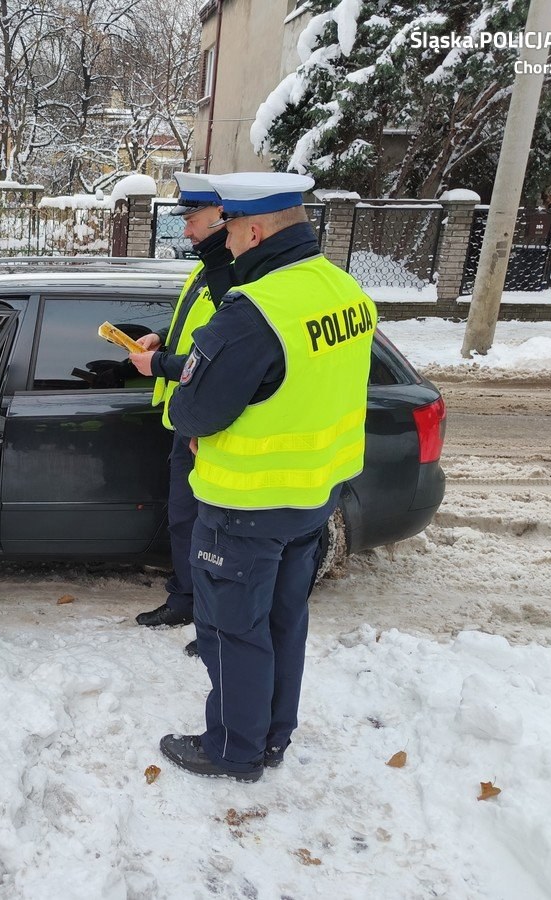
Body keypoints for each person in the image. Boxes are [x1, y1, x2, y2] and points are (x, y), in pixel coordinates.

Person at [157, 172, 377, 783]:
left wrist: (186, 403)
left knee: (231, 629)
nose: (223, 243)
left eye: (227, 228)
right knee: (284, 621)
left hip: (245, 502)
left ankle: (233, 749)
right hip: (312, 496)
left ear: (254, 230)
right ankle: (273, 736)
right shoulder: (343, 290)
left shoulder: (254, 313)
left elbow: (194, 411)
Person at [127, 171, 233, 629]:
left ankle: (207, 615)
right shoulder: (209, 265)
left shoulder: (234, 275)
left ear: (222, 216)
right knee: (187, 518)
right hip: (186, 415)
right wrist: (162, 336)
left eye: (193, 218)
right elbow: (196, 323)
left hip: (209, 419)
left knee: (207, 525)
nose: (185, 229)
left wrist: (162, 365)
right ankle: (189, 600)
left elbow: (227, 357)